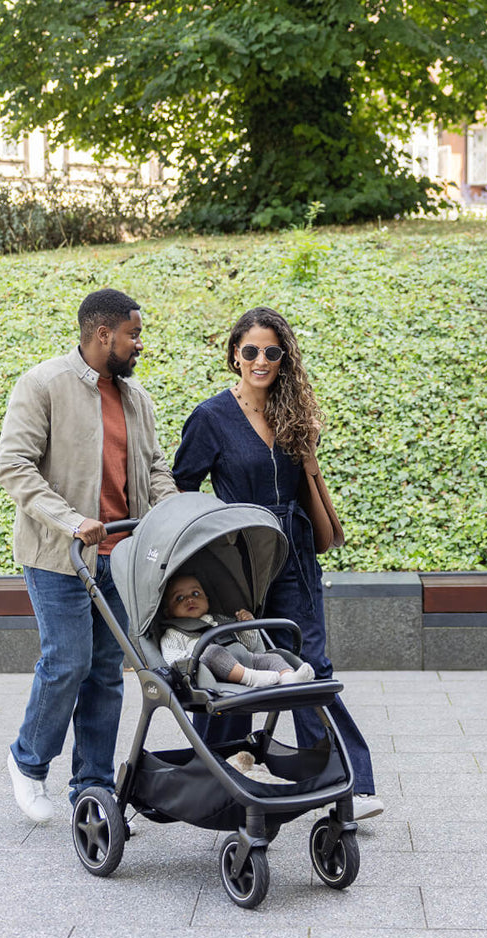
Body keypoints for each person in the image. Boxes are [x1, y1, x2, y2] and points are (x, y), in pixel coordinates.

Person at [171, 306, 383, 821]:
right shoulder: (210, 417)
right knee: (230, 665)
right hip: (236, 557)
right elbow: (181, 488)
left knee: (311, 665)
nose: (260, 360)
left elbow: (309, 490)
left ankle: (347, 783)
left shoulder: (295, 415)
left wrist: (308, 456)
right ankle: (218, 773)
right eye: (251, 351)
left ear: (284, 357)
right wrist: (199, 551)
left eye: (271, 351)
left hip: (294, 555)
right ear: (234, 356)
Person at [0, 288, 177, 823]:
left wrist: (174, 513)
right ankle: (27, 762)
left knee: (105, 672)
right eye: (133, 335)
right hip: (59, 555)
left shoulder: (136, 397)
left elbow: (154, 466)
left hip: (120, 557)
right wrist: (72, 521)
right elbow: (14, 466)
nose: (139, 344)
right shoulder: (43, 384)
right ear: (103, 334)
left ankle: (92, 790)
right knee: (68, 662)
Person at [159, 574, 316, 687]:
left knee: (272, 658)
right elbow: (173, 659)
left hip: (243, 659)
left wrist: (246, 625)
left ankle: (288, 678)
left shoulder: (220, 619)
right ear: (167, 611)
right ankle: (251, 678)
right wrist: (193, 660)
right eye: (179, 598)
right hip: (208, 671)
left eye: (195, 593)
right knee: (212, 651)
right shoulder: (173, 633)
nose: (190, 599)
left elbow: (247, 645)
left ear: (207, 599)